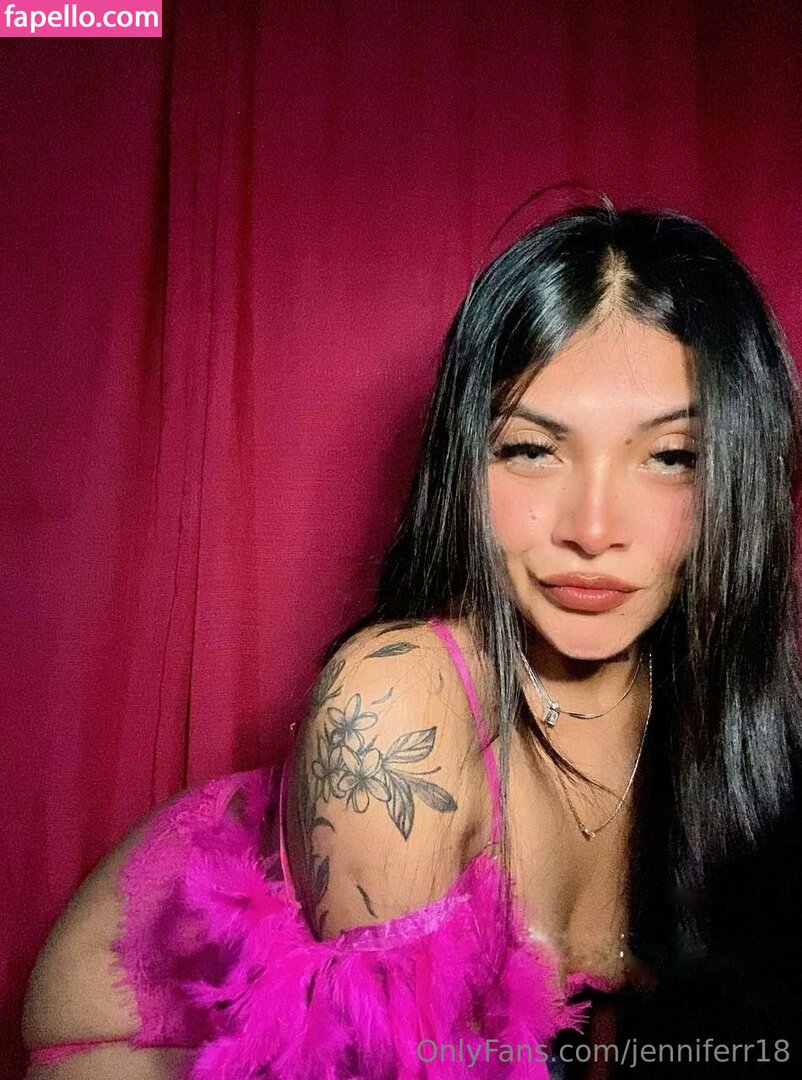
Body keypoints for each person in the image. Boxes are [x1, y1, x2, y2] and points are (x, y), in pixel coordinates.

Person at [22, 196, 802, 1079]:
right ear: (465, 463)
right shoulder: (398, 703)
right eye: (531, 450)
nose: (593, 529)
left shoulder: (731, 725)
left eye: (671, 457)